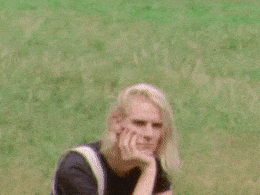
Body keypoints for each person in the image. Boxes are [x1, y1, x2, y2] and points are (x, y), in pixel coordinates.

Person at [52, 83, 181, 195]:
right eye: (139, 123)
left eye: (157, 126)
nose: (149, 134)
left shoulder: (149, 163)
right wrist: (148, 171)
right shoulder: (77, 169)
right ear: (116, 123)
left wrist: (150, 169)